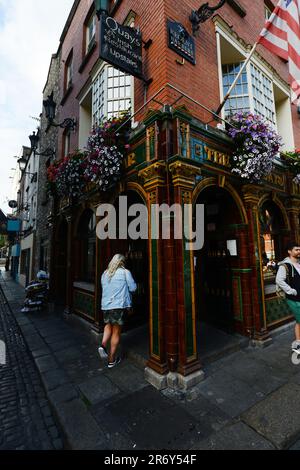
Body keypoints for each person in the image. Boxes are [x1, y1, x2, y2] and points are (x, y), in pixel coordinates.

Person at [98, 254, 137, 368]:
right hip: (118, 306)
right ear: (122, 262)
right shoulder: (125, 272)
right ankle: (111, 360)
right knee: (116, 331)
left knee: (108, 324)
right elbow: (133, 288)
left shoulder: (105, 273)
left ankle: (103, 345)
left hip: (106, 305)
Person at [276, 242, 300, 353]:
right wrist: (291, 291)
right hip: (294, 298)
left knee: (299, 322)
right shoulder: (285, 265)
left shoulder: (299, 264)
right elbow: (279, 280)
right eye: (296, 249)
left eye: (299, 249)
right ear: (289, 251)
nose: (299, 251)